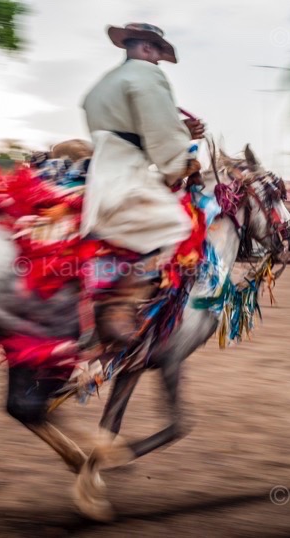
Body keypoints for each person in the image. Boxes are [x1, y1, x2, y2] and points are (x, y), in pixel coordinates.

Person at [80, 22, 206, 345]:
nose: (159, 62)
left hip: (105, 165)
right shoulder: (147, 75)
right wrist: (183, 154)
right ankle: (116, 306)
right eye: (158, 55)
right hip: (123, 172)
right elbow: (161, 136)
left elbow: (133, 130)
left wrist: (178, 131)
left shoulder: (104, 84)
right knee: (176, 226)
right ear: (148, 48)